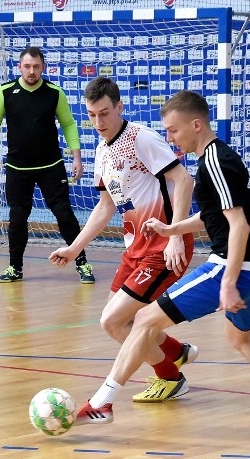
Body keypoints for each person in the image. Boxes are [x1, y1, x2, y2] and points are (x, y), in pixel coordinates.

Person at [72, 90, 250, 432]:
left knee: (143, 321)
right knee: (241, 339)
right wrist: (172, 227)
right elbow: (213, 217)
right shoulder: (217, 160)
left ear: (196, 125)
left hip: (233, 267)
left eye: (173, 130)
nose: (170, 138)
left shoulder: (214, 161)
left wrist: (227, 283)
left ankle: (102, 403)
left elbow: (239, 226)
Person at [49, 77, 197, 402]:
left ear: (119, 107)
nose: (98, 122)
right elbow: (105, 207)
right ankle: (176, 350)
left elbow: (183, 180)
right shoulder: (102, 151)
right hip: (134, 250)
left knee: (112, 322)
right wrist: (75, 248)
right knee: (122, 320)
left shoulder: (142, 138)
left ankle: (170, 377)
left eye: (104, 113)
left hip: (162, 247)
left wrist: (176, 235)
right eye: (91, 115)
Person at [0, 46, 94, 284]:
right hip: (18, 168)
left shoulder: (54, 93)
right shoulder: (6, 92)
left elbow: (69, 125)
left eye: (36, 67)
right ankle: (15, 268)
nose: (32, 71)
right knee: (18, 218)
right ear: (19, 67)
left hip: (51, 165)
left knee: (64, 214)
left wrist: (77, 157)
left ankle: (82, 262)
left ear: (43, 67)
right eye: (27, 66)